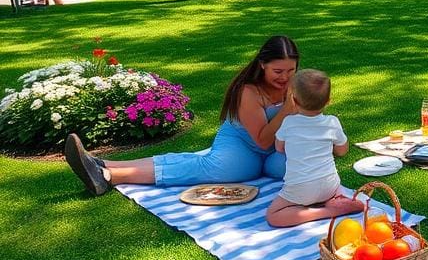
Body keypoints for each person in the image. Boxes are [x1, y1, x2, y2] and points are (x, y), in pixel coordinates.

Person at [63, 36, 301, 196]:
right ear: (262, 65)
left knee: (296, 168)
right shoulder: (248, 91)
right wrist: (287, 110)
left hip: (275, 149)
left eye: (291, 70)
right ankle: (108, 175)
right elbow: (261, 140)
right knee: (219, 170)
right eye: (277, 71)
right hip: (242, 143)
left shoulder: (297, 84)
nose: (285, 77)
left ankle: (102, 162)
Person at [265, 70, 363, 227]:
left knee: (273, 216)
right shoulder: (332, 122)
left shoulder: (288, 122)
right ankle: (336, 200)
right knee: (331, 181)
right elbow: (342, 151)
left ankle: (325, 212)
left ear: (294, 101)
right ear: (328, 101)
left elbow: (279, 148)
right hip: (329, 186)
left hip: (299, 189)